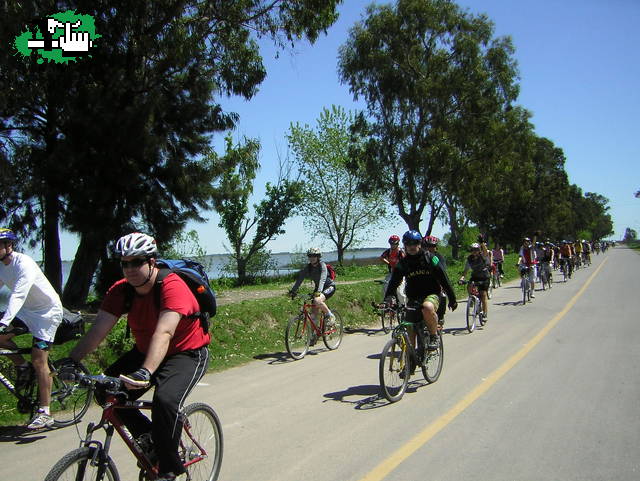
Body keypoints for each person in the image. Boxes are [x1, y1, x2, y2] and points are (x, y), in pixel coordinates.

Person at [59, 233, 211, 481]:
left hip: (186, 352)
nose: (129, 269)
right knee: (106, 392)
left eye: (136, 262)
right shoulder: (121, 291)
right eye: (124, 263)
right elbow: (98, 330)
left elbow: (165, 332)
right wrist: (72, 359)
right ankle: (152, 440)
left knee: (165, 401)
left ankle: (168, 468)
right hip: (144, 351)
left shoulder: (173, 287)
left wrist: (146, 372)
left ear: (152, 261)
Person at [0, 228, 64, 430]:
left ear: (8, 246)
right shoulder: (2, 266)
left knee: (39, 359)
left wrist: (3, 322)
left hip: (47, 313)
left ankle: (45, 412)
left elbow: (17, 295)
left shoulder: (24, 263)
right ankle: (22, 366)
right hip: (27, 312)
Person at [384, 230, 457, 359]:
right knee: (409, 329)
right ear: (405, 245)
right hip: (413, 298)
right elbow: (393, 283)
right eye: (408, 243)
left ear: (420, 244)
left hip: (432, 294)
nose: (412, 246)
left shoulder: (430, 258)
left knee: (427, 307)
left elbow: (443, 277)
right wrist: (389, 297)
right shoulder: (403, 263)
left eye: (415, 243)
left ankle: (434, 336)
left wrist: (452, 298)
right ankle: (410, 361)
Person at [288, 247, 337, 343]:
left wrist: (318, 291)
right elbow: (300, 279)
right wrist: (293, 291)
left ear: (318, 257)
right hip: (318, 289)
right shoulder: (308, 267)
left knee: (317, 301)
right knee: (313, 314)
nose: (312, 258)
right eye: (310, 256)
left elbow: (323, 279)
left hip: (328, 287)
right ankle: (314, 335)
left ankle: (330, 316)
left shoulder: (322, 265)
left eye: (314, 256)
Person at [459, 243, 491, 320]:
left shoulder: (482, 256)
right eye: (473, 250)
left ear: (479, 250)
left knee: (483, 294)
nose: (474, 251)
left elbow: (486, 252)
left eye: (476, 250)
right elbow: (466, 270)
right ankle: (472, 300)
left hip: (484, 277)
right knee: (469, 285)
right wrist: (462, 278)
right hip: (475, 276)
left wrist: (482, 243)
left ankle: (485, 313)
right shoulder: (469, 259)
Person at [379, 235, 406, 306]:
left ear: (397, 244)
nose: (393, 245)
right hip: (391, 273)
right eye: (391, 244)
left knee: (400, 292)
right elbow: (382, 257)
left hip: (400, 274)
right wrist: (389, 263)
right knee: (385, 287)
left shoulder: (401, 252)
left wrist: (399, 266)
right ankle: (385, 304)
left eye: (394, 244)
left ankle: (403, 306)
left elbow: (405, 261)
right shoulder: (388, 251)